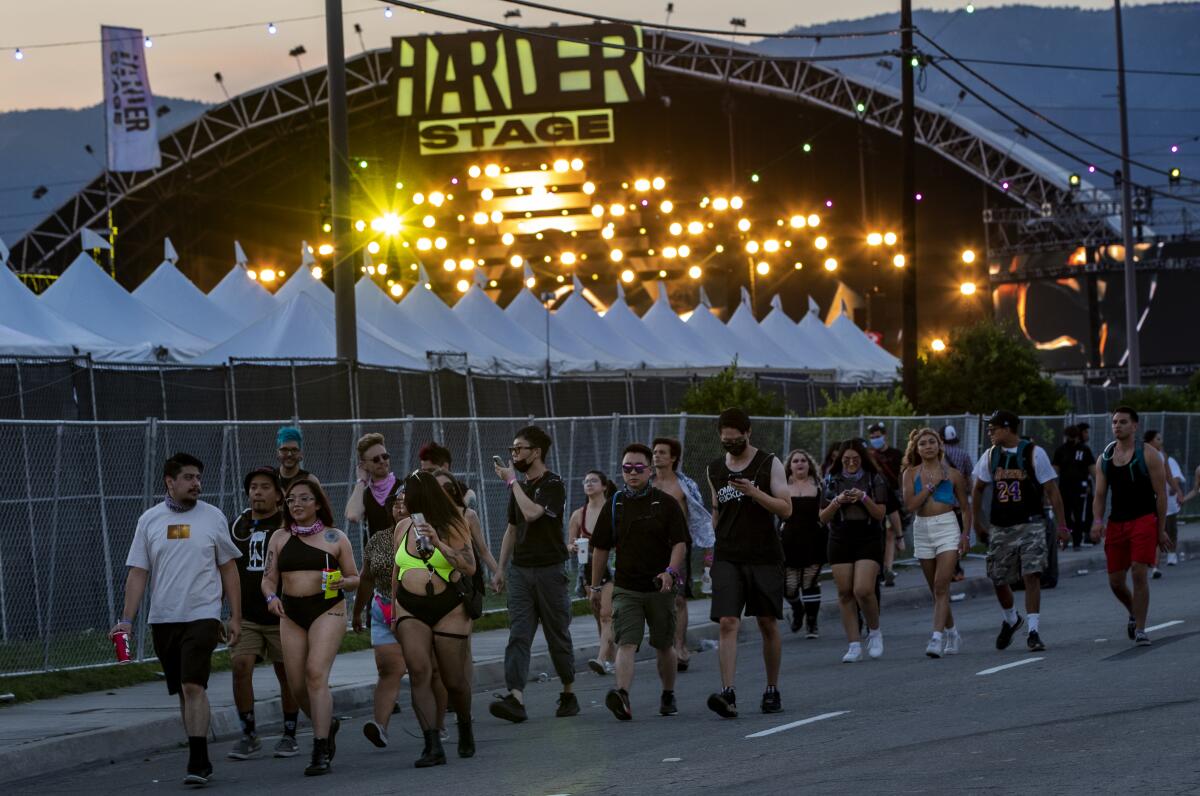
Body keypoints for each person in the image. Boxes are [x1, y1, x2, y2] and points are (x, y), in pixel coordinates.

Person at [111, 452, 242, 786]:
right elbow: (138, 573)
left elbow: (228, 567)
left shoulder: (212, 517)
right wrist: (127, 620)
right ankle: (199, 753)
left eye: (198, 477)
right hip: (164, 618)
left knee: (192, 684)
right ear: (170, 482)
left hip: (203, 615)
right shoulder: (149, 520)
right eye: (188, 477)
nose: (196, 483)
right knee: (183, 691)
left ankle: (198, 760)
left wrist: (234, 616)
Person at [260, 478, 359, 776]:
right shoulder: (279, 537)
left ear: (317, 503)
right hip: (291, 613)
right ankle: (327, 723)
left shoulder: (336, 537)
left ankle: (320, 749)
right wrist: (271, 597)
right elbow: (267, 578)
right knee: (297, 684)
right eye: (291, 500)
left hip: (327, 608)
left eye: (304, 499)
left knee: (316, 673)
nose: (297, 504)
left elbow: (356, 577)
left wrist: (344, 581)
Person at [590, 444, 689, 721]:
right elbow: (600, 549)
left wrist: (670, 571)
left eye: (638, 468)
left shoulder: (665, 503)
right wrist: (596, 587)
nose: (632, 473)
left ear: (649, 470)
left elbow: (680, 543)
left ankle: (668, 693)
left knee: (663, 645)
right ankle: (621, 694)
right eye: (626, 468)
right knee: (626, 643)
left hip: (660, 588)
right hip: (626, 587)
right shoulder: (615, 503)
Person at [705, 408, 792, 718]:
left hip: (764, 555)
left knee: (767, 622)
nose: (731, 446)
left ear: (748, 433)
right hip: (728, 555)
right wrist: (709, 550)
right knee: (728, 622)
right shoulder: (715, 468)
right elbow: (717, 510)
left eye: (736, 440)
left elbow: (786, 509)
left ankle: (772, 688)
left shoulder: (769, 463)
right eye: (725, 441)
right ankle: (728, 691)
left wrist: (755, 492)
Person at [489, 425, 579, 723]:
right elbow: (513, 528)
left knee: (557, 635)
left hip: (550, 571)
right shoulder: (519, 486)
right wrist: (500, 568)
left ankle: (568, 692)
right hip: (521, 571)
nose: (514, 454)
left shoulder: (553, 484)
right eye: (512, 450)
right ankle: (515, 697)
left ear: (536, 451)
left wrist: (513, 481)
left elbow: (532, 513)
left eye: (519, 449)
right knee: (519, 634)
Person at [389, 471, 479, 767]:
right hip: (409, 607)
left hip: (448, 606)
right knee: (418, 672)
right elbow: (396, 571)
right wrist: (393, 608)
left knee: (454, 680)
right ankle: (432, 744)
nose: (403, 499)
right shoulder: (402, 527)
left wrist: (438, 542)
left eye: (408, 494)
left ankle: (464, 724)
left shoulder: (455, 524)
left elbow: (469, 567)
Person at [971, 411, 1068, 653]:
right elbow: (978, 489)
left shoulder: (1033, 453)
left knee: (1031, 573)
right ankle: (1012, 618)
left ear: (1008, 428)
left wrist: (1063, 526)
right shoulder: (991, 455)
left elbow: (1052, 491)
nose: (990, 433)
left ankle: (1033, 631)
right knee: (998, 577)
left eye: (993, 428)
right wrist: (977, 523)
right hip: (1001, 525)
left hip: (1031, 522)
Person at [227, 467, 301, 760]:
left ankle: (289, 732)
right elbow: (226, 567)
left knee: (286, 672)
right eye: (253, 487)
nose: (257, 492)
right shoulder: (238, 527)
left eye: (265, 487)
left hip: (281, 614)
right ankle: (248, 733)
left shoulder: (287, 526)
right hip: (246, 614)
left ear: (279, 495)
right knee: (240, 666)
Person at [1089, 410, 1170, 646]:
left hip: (1144, 519)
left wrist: (1161, 528)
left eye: (1123, 422)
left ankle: (1142, 629)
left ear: (1134, 426)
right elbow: (1100, 494)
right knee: (1115, 581)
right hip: (1117, 523)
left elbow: (1161, 494)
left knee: (1138, 570)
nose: (1117, 426)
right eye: (1114, 422)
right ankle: (1133, 611)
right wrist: (1097, 521)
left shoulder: (1149, 454)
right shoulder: (1105, 457)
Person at [902, 429, 971, 658]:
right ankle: (952, 632)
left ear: (940, 445)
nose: (928, 446)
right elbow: (910, 505)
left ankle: (936, 638)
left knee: (942, 585)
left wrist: (965, 535)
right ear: (916, 448)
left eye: (932, 442)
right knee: (935, 589)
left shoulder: (953, 474)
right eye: (923, 443)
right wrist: (931, 487)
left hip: (947, 527)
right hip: (922, 528)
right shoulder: (910, 474)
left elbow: (965, 507)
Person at [819, 439, 889, 663]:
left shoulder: (873, 478)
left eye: (855, 459)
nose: (850, 463)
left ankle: (875, 631)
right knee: (845, 592)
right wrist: (838, 501)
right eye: (846, 459)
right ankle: (853, 644)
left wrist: (863, 497)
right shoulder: (831, 479)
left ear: (862, 459)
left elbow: (880, 514)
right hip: (840, 535)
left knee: (863, 589)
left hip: (868, 535)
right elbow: (822, 517)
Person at [651, 437, 714, 672]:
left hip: (678, 545)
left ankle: (680, 645)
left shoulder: (685, 484)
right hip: (651, 547)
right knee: (655, 598)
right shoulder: (647, 484)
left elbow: (699, 516)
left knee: (678, 598)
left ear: (673, 457)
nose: (656, 456)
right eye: (655, 452)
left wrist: (708, 553)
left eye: (662, 452)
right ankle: (664, 646)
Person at [353, 489, 409, 750]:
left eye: (405, 504)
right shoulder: (378, 540)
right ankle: (380, 727)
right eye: (396, 504)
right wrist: (357, 611)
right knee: (390, 670)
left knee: (426, 671)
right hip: (384, 609)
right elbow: (366, 578)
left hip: (417, 611)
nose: (400, 508)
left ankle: (436, 726)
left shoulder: (427, 536)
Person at [568, 470, 617, 676]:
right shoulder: (579, 514)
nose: (589, 483)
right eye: (586, 481)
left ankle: (600, 658)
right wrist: (573, 547)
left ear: (604, 486)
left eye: (594, 480)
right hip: (588, 568)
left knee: (607, 615)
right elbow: (569, 543)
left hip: (612, 567)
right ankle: (611, 659)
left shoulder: (614, 509)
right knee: (599, 616)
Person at [781, 449, 826, 639]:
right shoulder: (781, 487)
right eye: (795, 461)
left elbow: (825, 512)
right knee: (789, 586)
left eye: (803, 460)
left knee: (809, 581)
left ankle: (812, 623)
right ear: (789, 466)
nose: (799, 463)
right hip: (789, 541)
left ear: (809, 464)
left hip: (814, 539)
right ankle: (798, 610)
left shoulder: (819, 486)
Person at [345, 432, 402, 547]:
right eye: (376, 459)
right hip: (376, 560)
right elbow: (353, 515)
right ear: (364, 465)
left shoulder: (404, 487)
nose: (382, 461)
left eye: (385, 456)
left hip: (403, 558)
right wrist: (361, 481)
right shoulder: (365, 494)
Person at [867, 422, 906, 587]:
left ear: (884, 436)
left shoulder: (896, 454)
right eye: (872, 437)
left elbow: (904, 474)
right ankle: (883, 568)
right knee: (884, 534)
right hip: (878, 497)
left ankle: (887, 568)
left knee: (890, 533)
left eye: (878, 436)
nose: (875, 440)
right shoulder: (870, 455)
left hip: (896, 496)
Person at [1143, 430, 1185, 572]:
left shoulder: (1163, 456)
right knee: (1153, 531)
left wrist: (1178, 491)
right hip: (1146, 499)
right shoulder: (1141, 455)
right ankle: (1154, 565)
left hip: (1161, 498)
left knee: (1164, 528)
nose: (1161, 442)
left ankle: (1157, 564)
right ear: (1150, 442)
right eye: (1158, 439)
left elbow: (1169, 476)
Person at [1052, 425, 1096, 551]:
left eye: (1073, 436)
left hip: (1080, 488)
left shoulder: (1084, 450)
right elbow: (1055, 470)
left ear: (1077, 436)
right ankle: (1066, 536)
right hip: (1064, 487)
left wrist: (1096, 482)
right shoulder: (1061, 450)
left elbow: (1092, 468)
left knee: (1078, 514)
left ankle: (1077, 541)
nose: (1071, 439)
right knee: (1065, 515)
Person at [419, 441, 479, 510]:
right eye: (424, 471)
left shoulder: (465, 494)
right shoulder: (421, 493)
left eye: (431, 471)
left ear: (445, 467)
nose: (426, 476)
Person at [276, 426, 320, 492]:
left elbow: (322, 502)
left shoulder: (310, 480)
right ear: (278, 453)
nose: (289, 454)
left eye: (294, 450)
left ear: (300, 453)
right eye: (284, 449)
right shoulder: (271, 480)